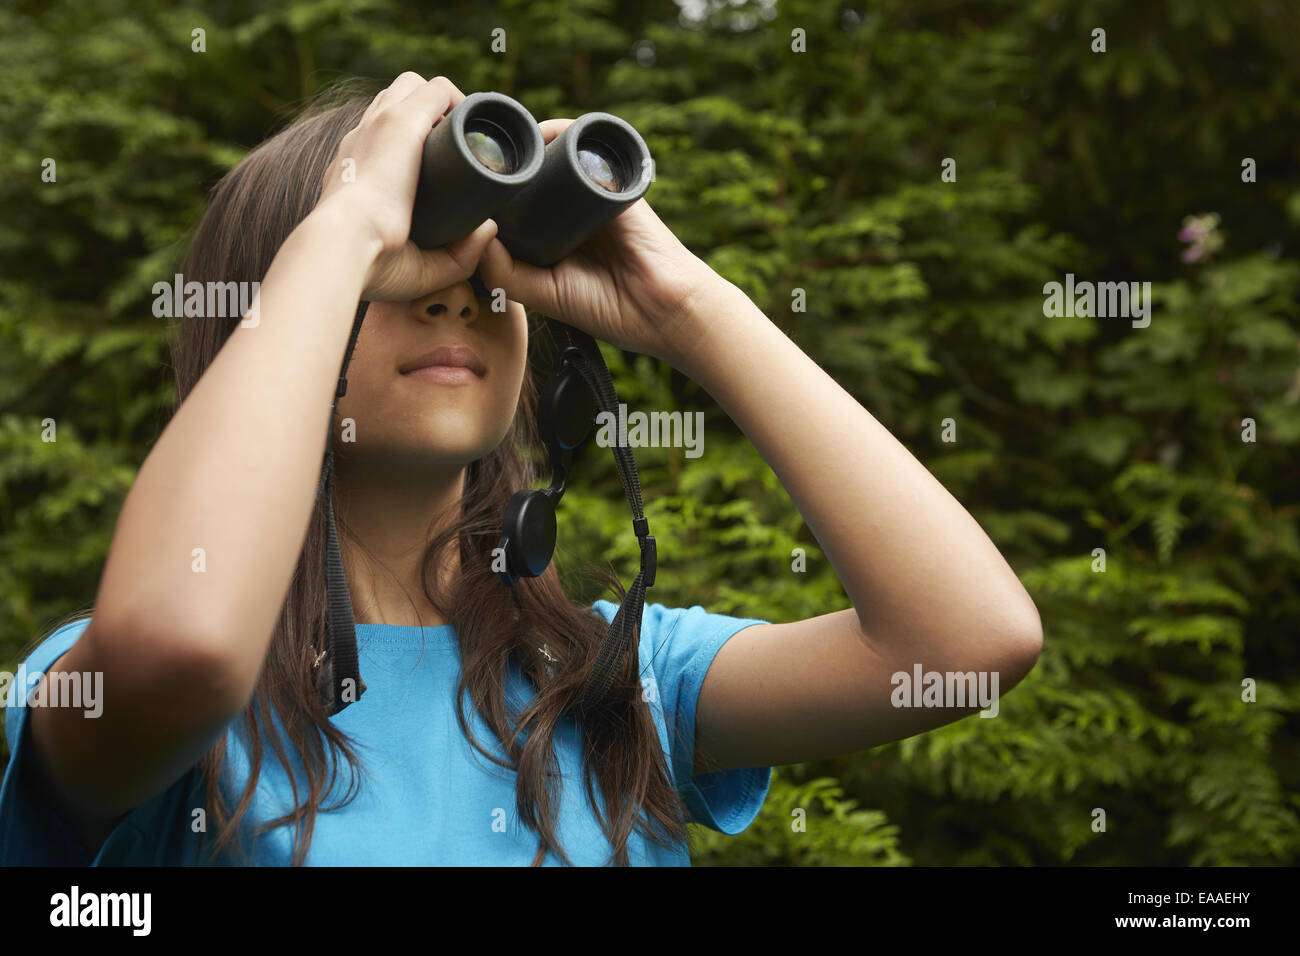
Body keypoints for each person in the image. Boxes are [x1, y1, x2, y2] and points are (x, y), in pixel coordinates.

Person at [0, 73, 1043, 866]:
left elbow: (966, 638)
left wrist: (690, 309)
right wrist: (344, 225)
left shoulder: (615, 678)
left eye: (480, 275)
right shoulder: (114, 689)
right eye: (399, 264)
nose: (454, 298)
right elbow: (183, 646)